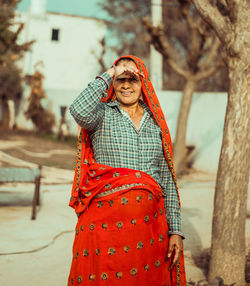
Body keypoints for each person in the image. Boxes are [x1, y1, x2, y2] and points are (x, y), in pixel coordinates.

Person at [68, 55, 186, 285]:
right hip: (104, 229)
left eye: (132, 80)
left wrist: (176, 230)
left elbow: (167, 180)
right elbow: (78, 110)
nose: (126, 85)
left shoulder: (156, 123)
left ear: (144, 84)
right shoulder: (101, 115)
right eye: (121, 80)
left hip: (149, 230)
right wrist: (111, 72)